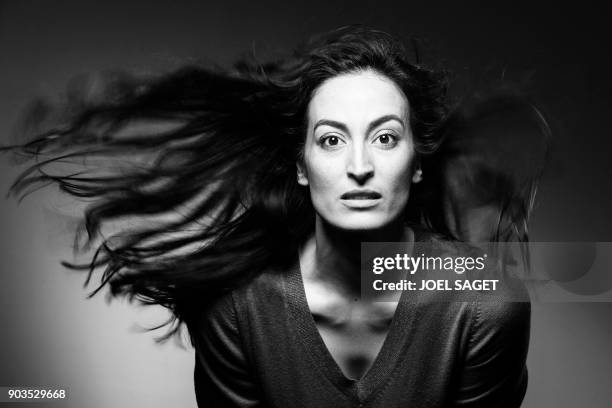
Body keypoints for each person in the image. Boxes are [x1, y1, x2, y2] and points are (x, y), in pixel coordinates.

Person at [2, 26, 546, 407]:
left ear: (418, 164)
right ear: (302, 167)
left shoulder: (486, 302)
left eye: (385, 137)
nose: (360, 166)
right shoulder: (236, 302)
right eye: (331, 140)